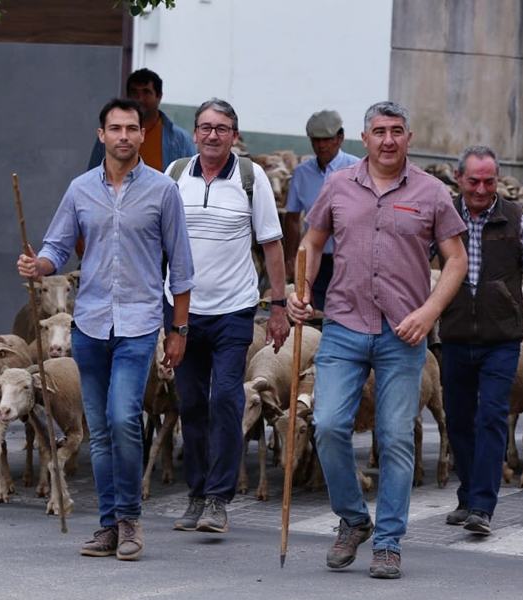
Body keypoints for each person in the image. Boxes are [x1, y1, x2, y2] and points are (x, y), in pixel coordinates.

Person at [286, 101, 468, 580]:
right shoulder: (338, 186)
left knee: (394, 438)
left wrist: (429, 313)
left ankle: (388, 542)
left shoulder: (432, 193)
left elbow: (456, 261)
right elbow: (312, 243)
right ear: (363, 139)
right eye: (379, 131)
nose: (388, 140)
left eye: (397, 131)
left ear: (409, 138)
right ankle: (352, 519)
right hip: (344, 325)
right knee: (325, 424)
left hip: (402, 333)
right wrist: (300, 291)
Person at [17, 97, 195, 561]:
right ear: (102, 136)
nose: (123, 136)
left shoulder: (163, 191)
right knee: (98, 429)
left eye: (131, 128)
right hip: (91, 324)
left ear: (141, 134)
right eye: (114, 128)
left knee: (122, 420)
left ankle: (130, 519)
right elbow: (56, 247)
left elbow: (182, 266)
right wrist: (38, 264)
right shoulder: (79, 189)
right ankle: (108, 527)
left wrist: (179, 329)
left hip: (139, 324)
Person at [163, 98, 290, 534]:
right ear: (194, 133)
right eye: (205, 127)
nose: (213, 134)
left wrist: (278, 306)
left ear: (235, 136)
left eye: (222, 128)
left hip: (234, 310)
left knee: (226, 399)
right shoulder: (174, 176)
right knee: (192, 403)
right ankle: (196, 494)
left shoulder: (251, 180)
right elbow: (157, 238)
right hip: (181, 311)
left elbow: (272, 245)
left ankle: (219, 498)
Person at [438, 145, 523, 536]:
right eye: (474, 181)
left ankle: (482, 505)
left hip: (502, 336)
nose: (481, 189)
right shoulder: (444, 214)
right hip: (455, 333)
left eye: (489, 181)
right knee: (458, 419)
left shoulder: (514, 217)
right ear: (459, 178)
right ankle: (467, 495)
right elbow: (418, 262)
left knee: (493, 415)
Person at [283, 109, 361, 309]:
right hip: (313, 260)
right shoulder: (302, 173)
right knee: (312, 311)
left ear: (340, 138)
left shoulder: (357, 170)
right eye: (316, 140)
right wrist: (290, 257)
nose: (321, 145)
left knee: (346, 312)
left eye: (327, 139)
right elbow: (292, 218)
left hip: (349, 260)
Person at [86, 68, 196, 172]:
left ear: (159, 96)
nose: (139, 99)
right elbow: (94, 175)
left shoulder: (180, 139)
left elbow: (190, 179)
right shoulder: (111, 134)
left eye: (146, 92)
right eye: (134, 92)